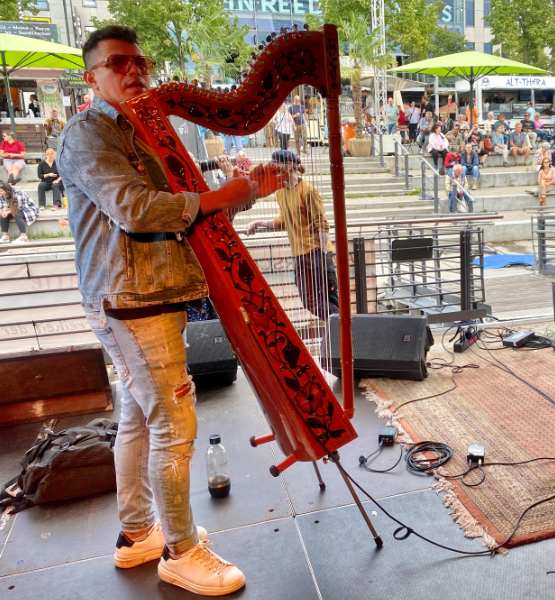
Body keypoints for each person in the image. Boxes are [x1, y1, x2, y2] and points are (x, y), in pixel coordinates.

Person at [56, 25, 276, 595]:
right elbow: (135, 210)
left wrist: (240, 195)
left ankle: (138, 535)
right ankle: (181, 551)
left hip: (145, 295)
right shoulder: (88, 134)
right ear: (92, 75)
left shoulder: (138, 129)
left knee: (138, 416)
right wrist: (218, 198)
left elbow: (179, 209)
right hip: (132, 301)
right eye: (117, 62)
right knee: (174, 425)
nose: (134, 70)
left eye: (139, 61)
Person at [246, 149, 338, 323]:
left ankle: (342, 331)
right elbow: (283, 220)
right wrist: (258, 223)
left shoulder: (308, 191)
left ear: (289, 166)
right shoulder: (280, 192)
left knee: (325, 299)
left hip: (316, 253)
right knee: (309, 301)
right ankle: (342, 329)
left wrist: (323, 258)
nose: (273, 168)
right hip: (300, 256)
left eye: (277, 164)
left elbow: (323, 226)